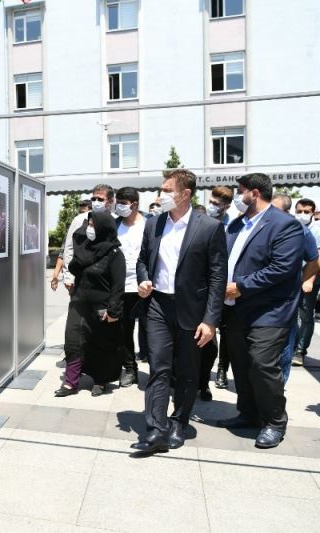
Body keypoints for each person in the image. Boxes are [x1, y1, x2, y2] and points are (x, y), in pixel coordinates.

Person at [132, 169, 227, 453]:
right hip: (158, 305)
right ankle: (156, 428)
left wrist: (210, 320)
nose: (160, 195)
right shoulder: (154, 224)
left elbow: (217, 277)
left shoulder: (209, 227)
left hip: (192, 310)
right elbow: (142, 260)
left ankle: (178, 422)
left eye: (166, 190)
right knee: (159, 367)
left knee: (187, 371)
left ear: (185, 194)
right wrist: (143, 279)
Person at [217, 173, 304, 449]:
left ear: (254, 193)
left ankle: (275, 421)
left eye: (239, 191)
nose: (236, 196)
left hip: (270, 310)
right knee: (241, 364)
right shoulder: (236, 225)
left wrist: (240, 286)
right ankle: (249, 413)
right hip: (236, 309)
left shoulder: (285, 225)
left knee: (262, 363)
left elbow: (282, 268)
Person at [56, 211, 126, 397]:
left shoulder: (114, 254)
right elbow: (73, 267)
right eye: (88, 224)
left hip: (102, 308)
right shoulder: (83, 248)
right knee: (73, 341)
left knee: (100, 345)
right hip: (79, 303)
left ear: (104, 227)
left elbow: (118, 286)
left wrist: (114, 311)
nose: (89, 228)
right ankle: (71, 382)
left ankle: (100, 381)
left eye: (94, 225)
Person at [271, 194, 320, 382]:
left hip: (286, 299)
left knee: (284, 344)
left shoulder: (299, 230)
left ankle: (279, 387)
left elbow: (314, 260)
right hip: (259, 296)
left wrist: (303, 282)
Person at [114, 187, 147, 387]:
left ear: (133, 204)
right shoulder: (114, 225)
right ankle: (130, 368)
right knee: (124, 331)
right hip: (121, 287)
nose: (118, 207)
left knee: (153, 331)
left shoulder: (150, 225)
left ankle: (160, 371)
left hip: (145, 286)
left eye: (122, 203)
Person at [293, 198, 320, 367]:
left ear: (313, 213)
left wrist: (309, 280)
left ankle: (300, 351)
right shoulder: (292, 227)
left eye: (306, 212)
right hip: (292, 279)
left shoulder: (318, 231)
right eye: (299, 211)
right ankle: (291, 347)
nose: (302, 214)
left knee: (306, 316)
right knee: (291, 316)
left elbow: (319, 259)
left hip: (309, 279)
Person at [63, 185, 115, 293]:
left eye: (100, 199)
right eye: (93, 199)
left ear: (110, 201)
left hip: (106, 279)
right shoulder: (79, 219)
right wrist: (68, 276)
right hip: (82, 277)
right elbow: (69, 248)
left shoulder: (114, 220)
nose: (96, 202)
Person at [207, 186, 234, 389]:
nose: (212, 206)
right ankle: (203, 373)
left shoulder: (232, 225)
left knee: (225, 332)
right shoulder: (203, 221)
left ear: (226, 205)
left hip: (225, 285)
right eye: (211, 201)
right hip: (203, 284)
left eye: (216, 204)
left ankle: (222, 369)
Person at [50, 199, 90, 291]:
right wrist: (55, 276)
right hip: (76, 279)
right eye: (80, 213)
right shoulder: (73, 230)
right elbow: (63, 254)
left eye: (83, 213)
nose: (81, 216)